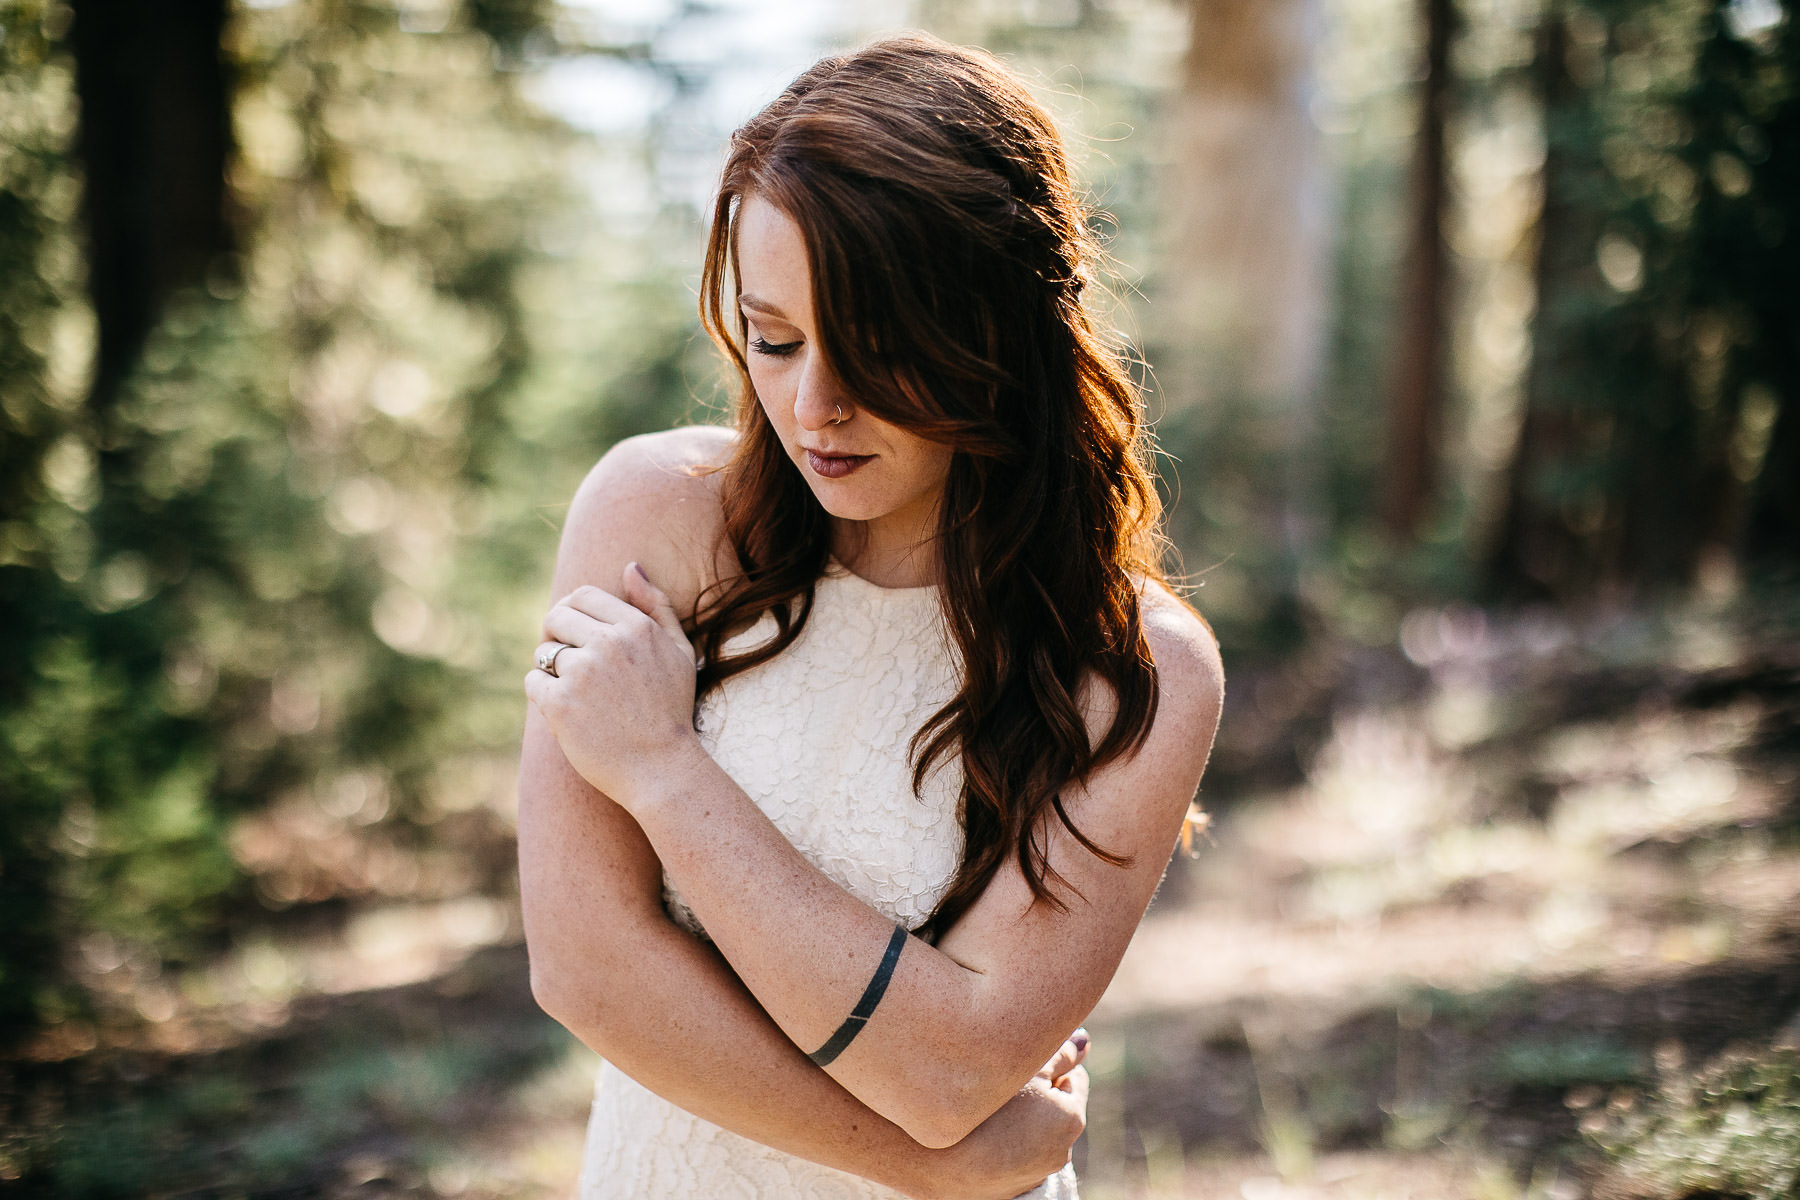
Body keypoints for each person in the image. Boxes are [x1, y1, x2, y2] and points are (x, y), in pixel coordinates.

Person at [517, 32, 1223, 1200]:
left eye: (879, 347)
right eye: (777, 339)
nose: (814, 405)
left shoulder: (1138, 668)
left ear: (997, 328)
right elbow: (587, 966)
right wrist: (933, 1170)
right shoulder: (652, 519)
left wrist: (662, 770)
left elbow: (956, 1071)